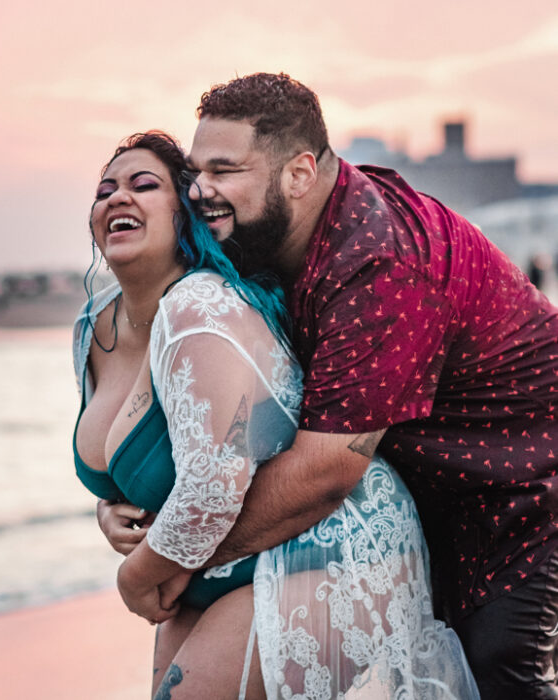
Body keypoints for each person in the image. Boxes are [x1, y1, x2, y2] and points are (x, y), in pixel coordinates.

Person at [101, 72, 558, 698]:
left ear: (299, 172)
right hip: (431, 479)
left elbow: (324, 471)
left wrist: (172, 553)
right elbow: (215, 401)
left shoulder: (379, 264)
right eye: (196, 169)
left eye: (225, 170)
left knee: (500, 669)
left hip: (527, 483)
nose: (200, 190)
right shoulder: (265, 232)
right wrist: (131, 502)